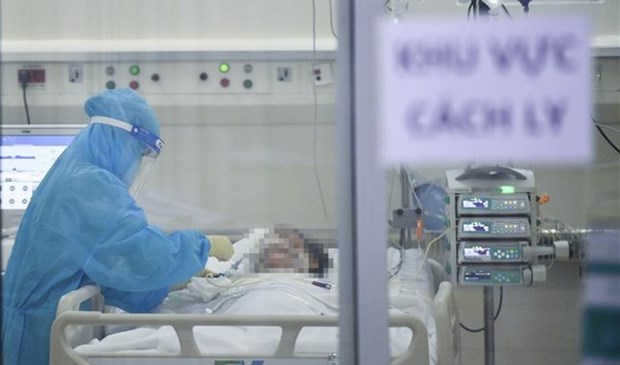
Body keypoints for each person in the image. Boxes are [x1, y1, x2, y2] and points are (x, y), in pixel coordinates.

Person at [1, 88, 234, 365]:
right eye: (139, 151)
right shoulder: (88, 184)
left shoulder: (74, 173)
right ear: (119, 138)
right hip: (42, 335)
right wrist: (202, 246)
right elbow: (139, 254)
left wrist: (172, 280)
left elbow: (115, 273)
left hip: (43, 324)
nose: (137, 163)